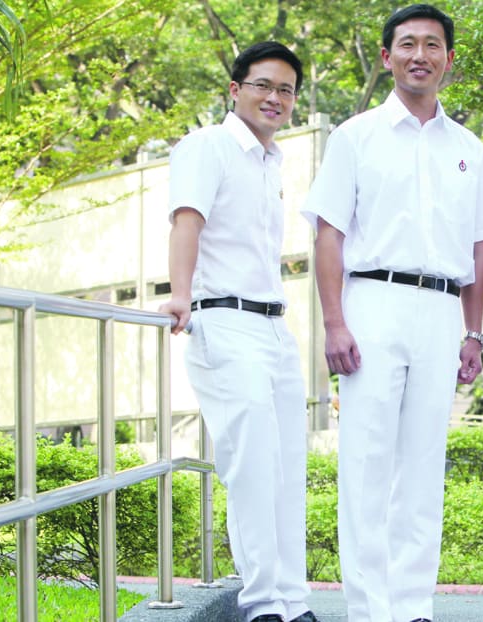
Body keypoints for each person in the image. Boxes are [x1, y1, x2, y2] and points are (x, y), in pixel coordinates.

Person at [301, 4, 483, 621]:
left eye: (433, 45)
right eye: (407, 44)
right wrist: (334, 322)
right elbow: (328, 236)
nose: (421, 55)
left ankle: (415, 607)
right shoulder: (354, 137)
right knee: (366, 459)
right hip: (373, 304)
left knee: (423, 463)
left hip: (443, 313)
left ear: (448, 59)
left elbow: (477, 250)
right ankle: (368, 609)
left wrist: (475, 330)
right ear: (387, 56)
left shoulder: (471, 149)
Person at [158, 42, 319, 622]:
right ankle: (261, 604)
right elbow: (187, 221)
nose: (275, 98)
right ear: (235, 89)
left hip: (274, 327)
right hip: (222, 319)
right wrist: (179, 295)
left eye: (286, 90)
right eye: (263, 85)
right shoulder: (208, 146)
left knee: (285, 467)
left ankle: (292, 599)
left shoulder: (272, 161)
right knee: (251, 465)